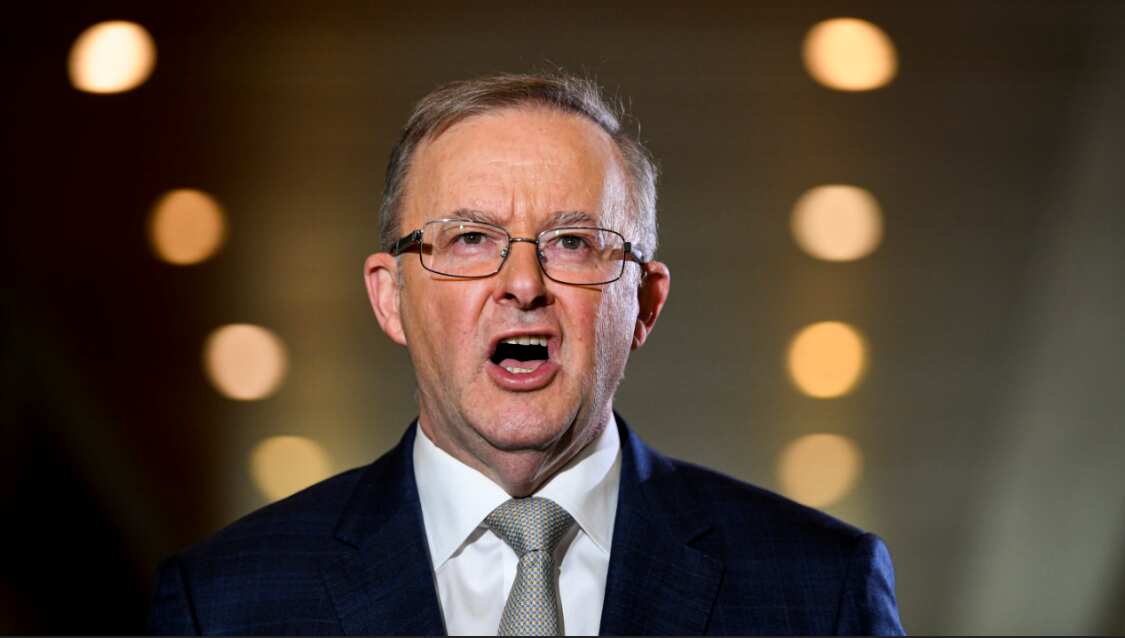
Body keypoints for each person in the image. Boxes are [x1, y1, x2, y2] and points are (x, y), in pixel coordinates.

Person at [148, 73, 904, 635]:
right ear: (389, 298)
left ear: (642, 302)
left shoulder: (819, 589)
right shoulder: (222, 603)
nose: (521, 283)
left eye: (573, 242)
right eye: (470, 238)